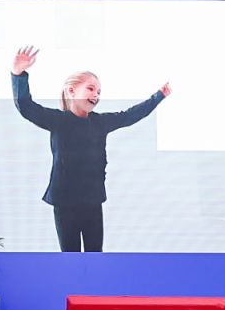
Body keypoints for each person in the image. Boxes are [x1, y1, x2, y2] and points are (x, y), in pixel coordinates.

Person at [10, 45, 170, 253]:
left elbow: (130, 115)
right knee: (71, 255)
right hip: (65, 201)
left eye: (99, 91)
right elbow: (26, 107)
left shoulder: (100, 122)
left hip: (92, 200)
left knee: (95, 254)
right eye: (91, 88)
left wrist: (159, 96)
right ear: (71, 91)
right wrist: (18, 74)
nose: (96, 94)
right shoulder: (58, 120)